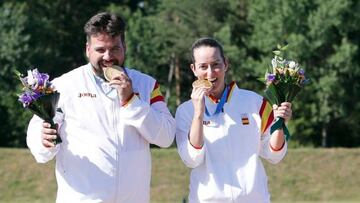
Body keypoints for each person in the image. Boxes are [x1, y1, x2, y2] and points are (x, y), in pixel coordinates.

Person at [26, 12, 176, 203]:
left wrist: (131, 101)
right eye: (100, 49)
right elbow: (39, 147)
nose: (108, 57)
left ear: (125, 47)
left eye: (115, 49)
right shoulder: (63, 86)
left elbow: (166, 137)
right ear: (88, 49)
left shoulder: (147, 85)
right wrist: (43, 141)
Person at [175, 37, 292, 203]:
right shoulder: (185, 111)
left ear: (226, 64)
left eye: (216, 64)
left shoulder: (255, 102)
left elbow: (274, 155)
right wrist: (198, 113)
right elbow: (192, 159)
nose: (210, 73)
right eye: (203, 66)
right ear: (194, 69)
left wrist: (280, 123)